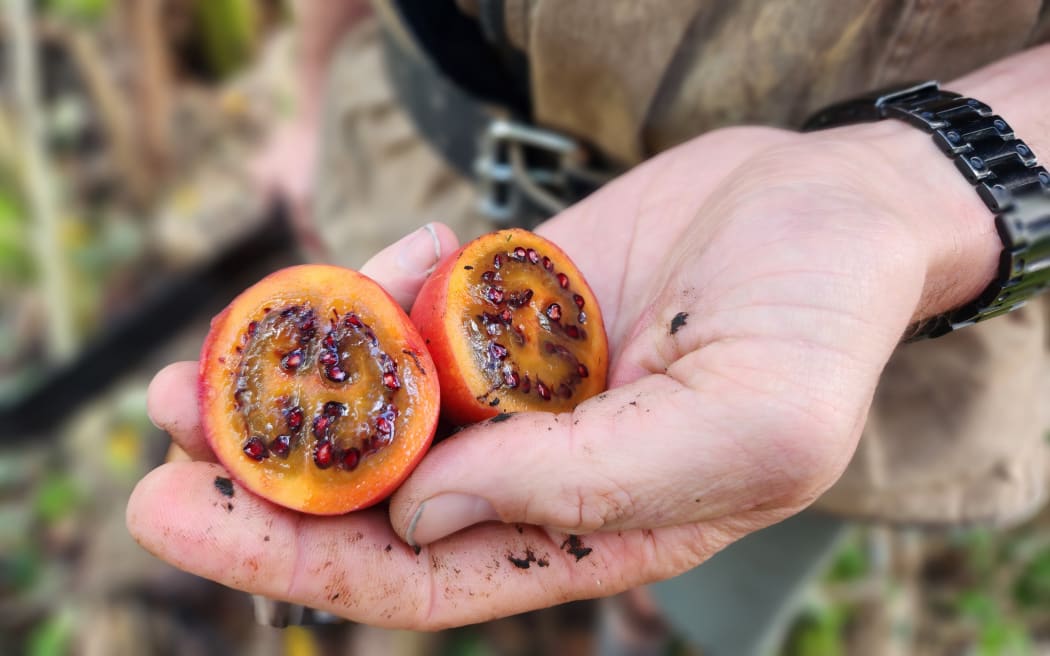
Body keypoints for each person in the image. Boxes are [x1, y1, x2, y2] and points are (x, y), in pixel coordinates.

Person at [127, 1, 1050, 629]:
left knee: (695, 567)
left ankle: (648, 626)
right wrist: (315, 86)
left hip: (879, 293)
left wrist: (922, 188)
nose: (317, 383)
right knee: (387, 553)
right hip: (409, 149)